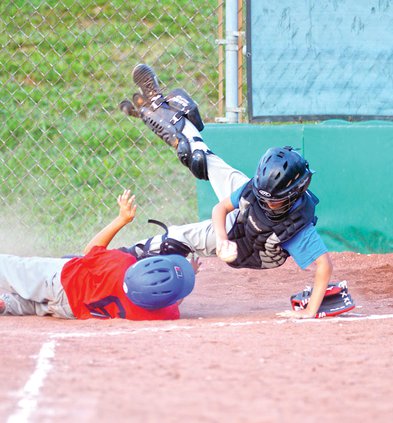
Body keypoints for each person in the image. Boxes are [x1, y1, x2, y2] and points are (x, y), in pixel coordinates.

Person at [120, 64, 333, 319]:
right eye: (261, 193)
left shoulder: (296, 224)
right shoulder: (256, 192)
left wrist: (311, 311)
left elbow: (324, 266)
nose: (266, 202)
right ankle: (157, 107)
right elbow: (221, 208)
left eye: (273, 201)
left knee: (174, 239)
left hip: (243, 240)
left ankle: (121, 257)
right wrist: (222, 239)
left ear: (292, 196)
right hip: (234, 224)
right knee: (197, 156)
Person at [0, 190, 197, 320]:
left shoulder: (120, 264)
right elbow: (171, 301)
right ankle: (8, 305)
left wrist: (121, 219)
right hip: (72, 310)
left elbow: (90, 251)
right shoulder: (159, 314)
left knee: (12, 269)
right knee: (36, 307)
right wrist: (186, 279)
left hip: (61, 280)